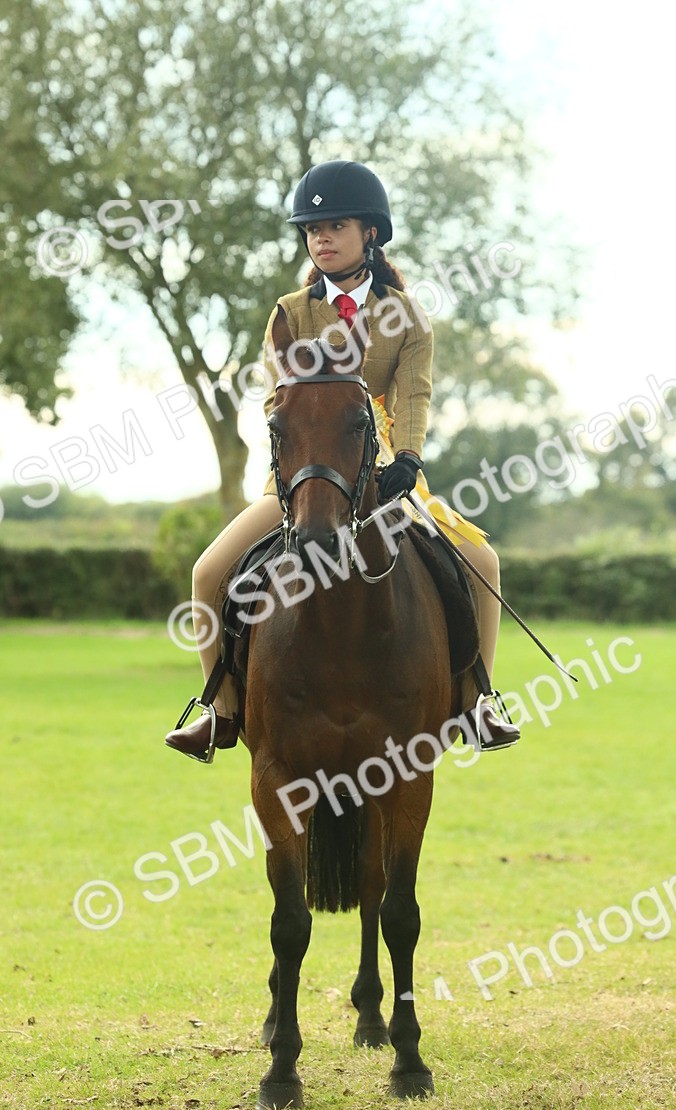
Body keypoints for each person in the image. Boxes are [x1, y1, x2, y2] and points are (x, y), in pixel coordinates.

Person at [165, 159, 520, 762]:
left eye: (334, 226)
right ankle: (220, 709)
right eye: (312, 230)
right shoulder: (291, 311)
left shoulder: (407, 318)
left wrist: (406, 457)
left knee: (481, 560)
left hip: (387, 476)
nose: (321, 239)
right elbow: (279, 398)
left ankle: (476, 699)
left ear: (371, 234)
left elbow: (414, 395)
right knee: (205, 574)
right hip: (304, 478)